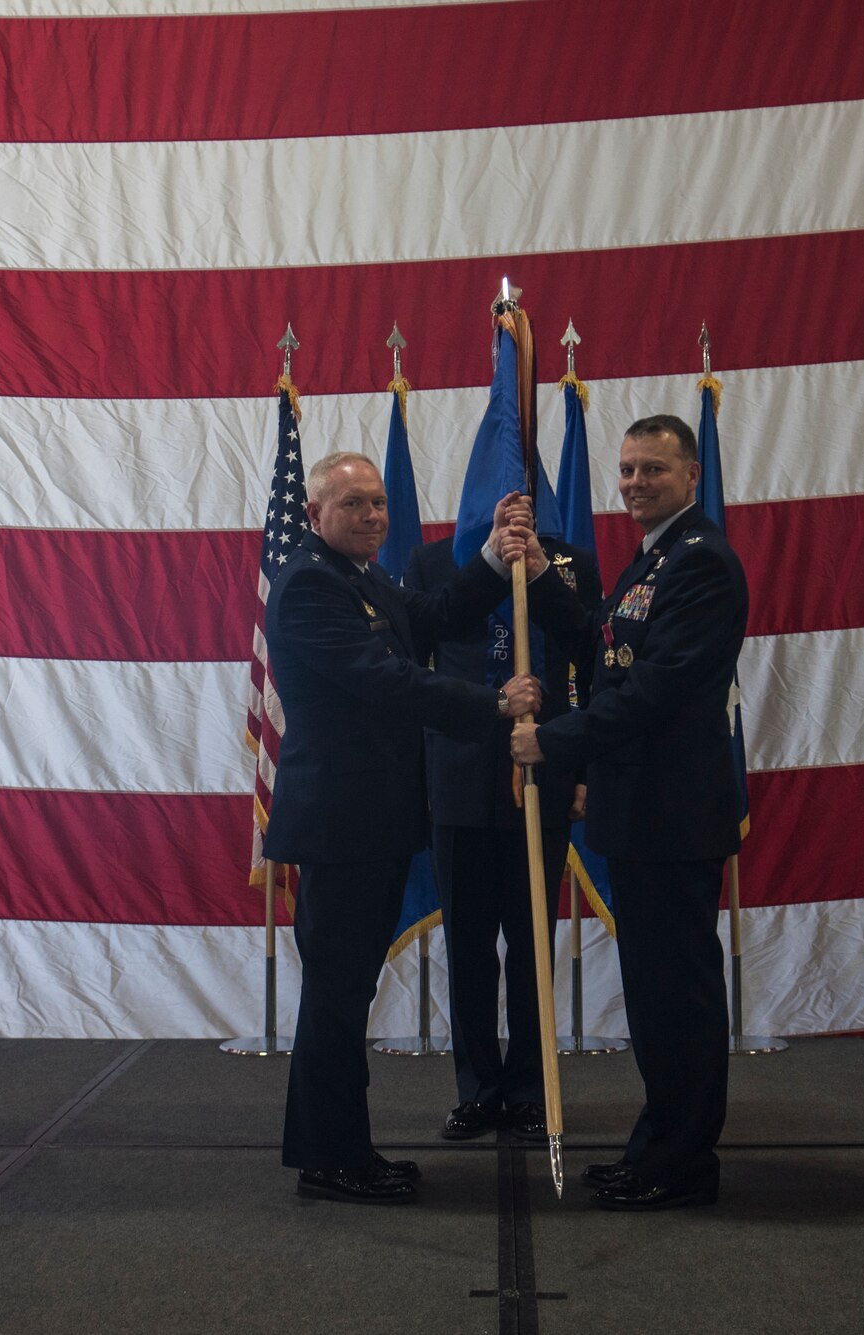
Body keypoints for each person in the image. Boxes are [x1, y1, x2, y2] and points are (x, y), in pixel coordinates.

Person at [264, 451, 542, 1205]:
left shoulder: (362, 576)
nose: (375, 517)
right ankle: (332, 1160)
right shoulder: (309, 584)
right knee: (336, 995)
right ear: (316, 513)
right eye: (354, 504)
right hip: (339, 826)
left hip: (370, 820)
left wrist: (490, 558)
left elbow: (428, 621)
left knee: (346, 991)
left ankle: (342, 1147)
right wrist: (489, 705)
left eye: (380, 503)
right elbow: (383, 679)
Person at [508, 414, 748, 1211]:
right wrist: (542, 574)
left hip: (674, 813)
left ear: (691, 475)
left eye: (653, 469)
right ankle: (659, 1140)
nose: (636, 483)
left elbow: (657, 687)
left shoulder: (702, 562)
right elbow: (601, 650)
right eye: (627, 469)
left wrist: (557, 741)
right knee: (651, 992)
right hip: (639, 809)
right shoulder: (651, 559)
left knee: (677, 990)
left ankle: (683, 1160)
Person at [404, 531, 601, 1143]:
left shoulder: (568, 563)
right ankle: (478, 1091)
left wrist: (585, 769)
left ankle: (528, 1089)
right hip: (459, 777)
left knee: (531, 943)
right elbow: (415, 660)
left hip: (544, 770)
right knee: (467, 946)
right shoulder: (434, 560)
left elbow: (589, 662)